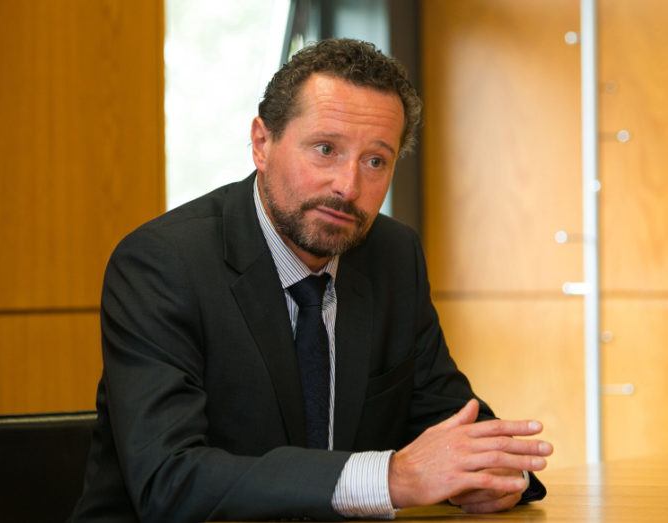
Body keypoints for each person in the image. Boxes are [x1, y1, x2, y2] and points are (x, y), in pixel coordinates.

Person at [71, 38, 551, 522]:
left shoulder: (392, 257)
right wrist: (390, 478)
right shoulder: (163, 264)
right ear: (262, 143)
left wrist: (494, 476)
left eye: (375, 161)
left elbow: (451, 421)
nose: (348, 186)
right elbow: (168, 481)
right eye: (326, 149)